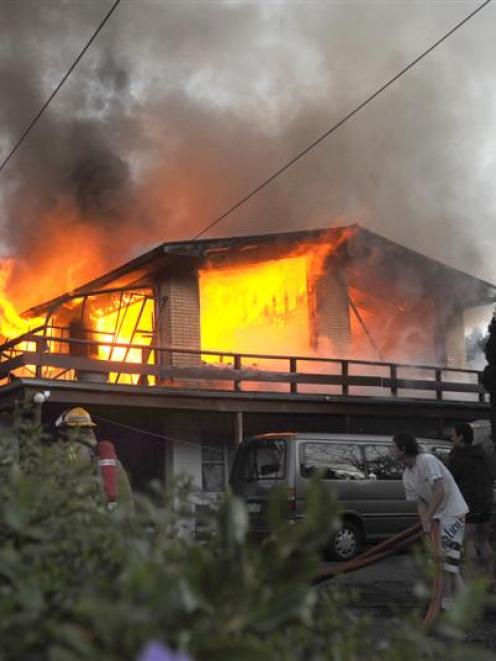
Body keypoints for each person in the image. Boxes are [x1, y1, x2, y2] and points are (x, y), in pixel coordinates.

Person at [392, 432, 468, 623]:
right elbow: (421, 502)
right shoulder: (407, 475)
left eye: (393, 446)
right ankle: (456, 604)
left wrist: (428, 517)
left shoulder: (426, 460)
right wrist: (425, 524)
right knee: (444, 561)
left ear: (403, 449)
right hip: (437, 515)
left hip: (453, 511)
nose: (390, 450)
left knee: (447, 562)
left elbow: (440, 491)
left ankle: (449, 606)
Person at [55, 407, 133, 512]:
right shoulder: (109, 456)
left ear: (68, 429)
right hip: (106, 518)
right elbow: (126, 495)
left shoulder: (65, 452)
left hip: (78, 517)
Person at [449, 422, 495, 586]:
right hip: (486, 501)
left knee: (468, 541)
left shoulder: (456, 456)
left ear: (461, 436)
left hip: (468, 503)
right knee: (483, 541)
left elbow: (451, 482)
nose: (451, 437)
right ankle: (491, 578)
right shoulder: (482, 454)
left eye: (453, 435)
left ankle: (473, 581)